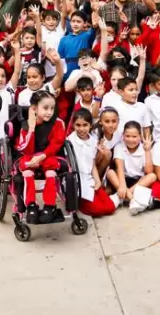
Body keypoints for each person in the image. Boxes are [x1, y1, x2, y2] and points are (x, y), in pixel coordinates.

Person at [15, 90, 67, 224]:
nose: (49, 112)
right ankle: (31, 205)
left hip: (49, 155)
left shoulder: (58, 123)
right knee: (26, 170)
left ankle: (49, 206)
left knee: (50, 171)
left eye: (52, 108)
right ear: (34, 109)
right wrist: (31, 129)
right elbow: (25, 149)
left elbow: (57, 144)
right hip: (31, 156)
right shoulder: (26, 126)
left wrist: (42, 156)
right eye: (45, 108)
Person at [67, 108, 119, 217]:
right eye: (78, 125)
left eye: (85, 125)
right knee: (97, 210)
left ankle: (115, 197)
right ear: (73, 125)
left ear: (90, 125)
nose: (81, 129)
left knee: (110, 208)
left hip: (89, 179)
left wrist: (97, 181)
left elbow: (92, 165)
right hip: (78, 182)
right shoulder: (69, 141)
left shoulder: (93, 141)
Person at [109, 121, 157, 209]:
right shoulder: (119, 147)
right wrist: (122, 186)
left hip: (138, 183)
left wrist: (147, 151)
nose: (131, 140)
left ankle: (120, 197)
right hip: (122, 179)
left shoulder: (144, 149)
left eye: (134, 136)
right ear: (123, 136)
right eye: (127, 136)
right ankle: (133, 199)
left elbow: (148, 171)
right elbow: (120, 168)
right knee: (110, 172)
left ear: (141, 137)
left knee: (152, 176)